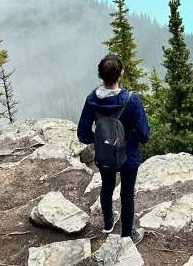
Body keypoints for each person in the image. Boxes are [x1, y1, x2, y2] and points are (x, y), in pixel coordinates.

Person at [77, 53, 150, 243]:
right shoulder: (132, 100)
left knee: (107, 187)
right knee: (127, 193)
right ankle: (128, 235)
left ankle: (108, 223)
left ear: (100, 75)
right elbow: (144, 134)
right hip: (129, 156)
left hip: (105, 154)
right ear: (121, 73)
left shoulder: (92, 99)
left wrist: (101, 139)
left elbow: (83, 133)